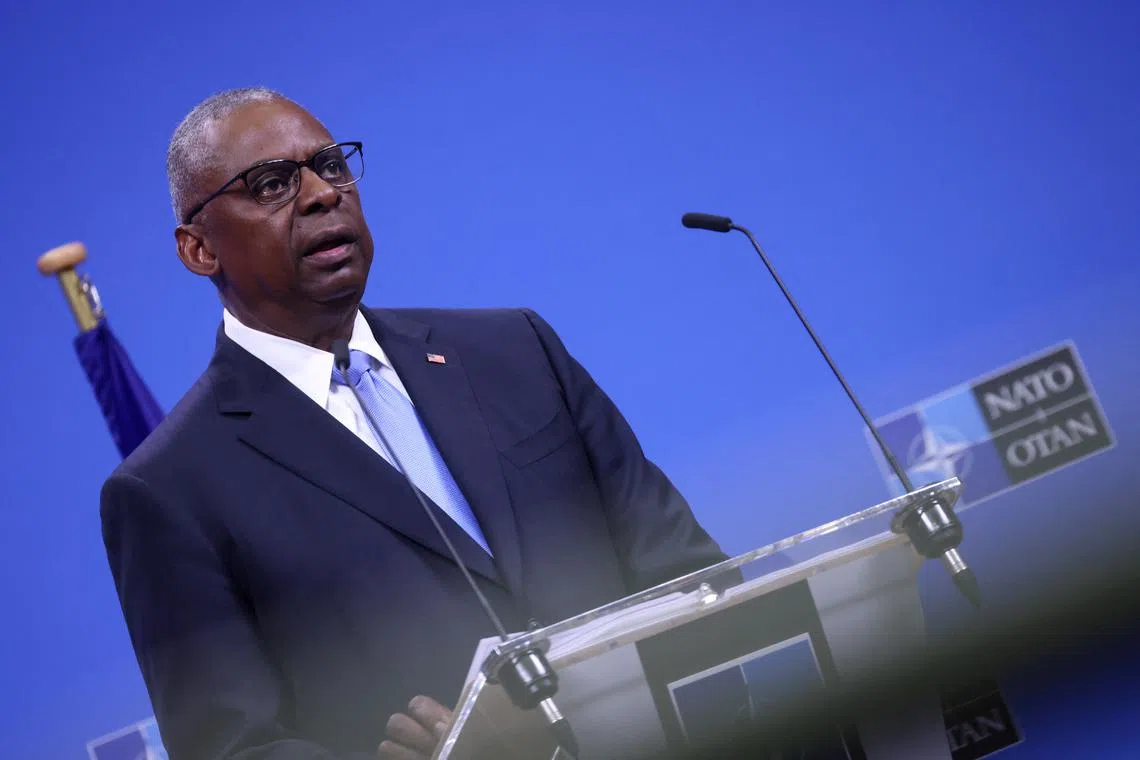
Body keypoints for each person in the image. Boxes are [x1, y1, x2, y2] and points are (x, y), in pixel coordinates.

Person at [100, 87, 727, 760]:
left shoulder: (515, 350)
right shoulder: (169, 489)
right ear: (198, 250)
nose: (321, 194)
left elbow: (692, 576)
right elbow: (234, 749)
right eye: (273, 184)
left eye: (333, 166)